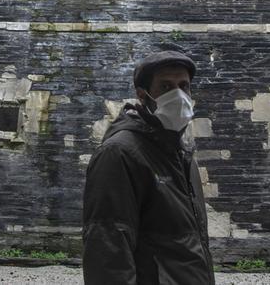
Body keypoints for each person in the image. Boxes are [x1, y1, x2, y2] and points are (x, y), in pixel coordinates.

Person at [81, 49, 214, 284]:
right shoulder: (119, 153)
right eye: (166, 87)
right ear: (143, 96)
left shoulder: (180, 152)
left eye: (184, 86)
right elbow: (108, 244)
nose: (178, 94)